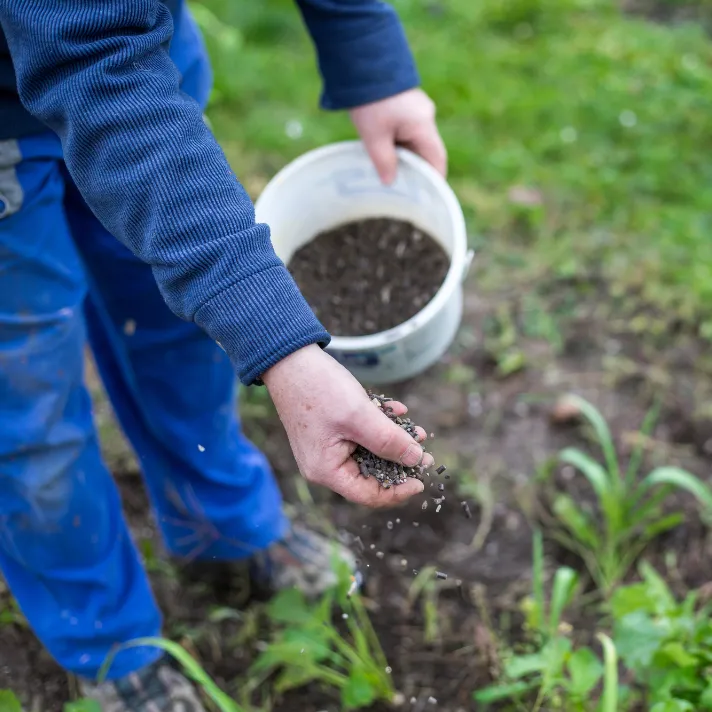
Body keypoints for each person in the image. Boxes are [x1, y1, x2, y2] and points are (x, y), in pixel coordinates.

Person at [0, 0, 447, 709]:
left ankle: (222, 527)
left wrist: (367, 53)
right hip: (49, 100)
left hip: (143, 56)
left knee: (181, 328)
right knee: (29, 409)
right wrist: (285, 350)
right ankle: (108, 645)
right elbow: (90, 55)